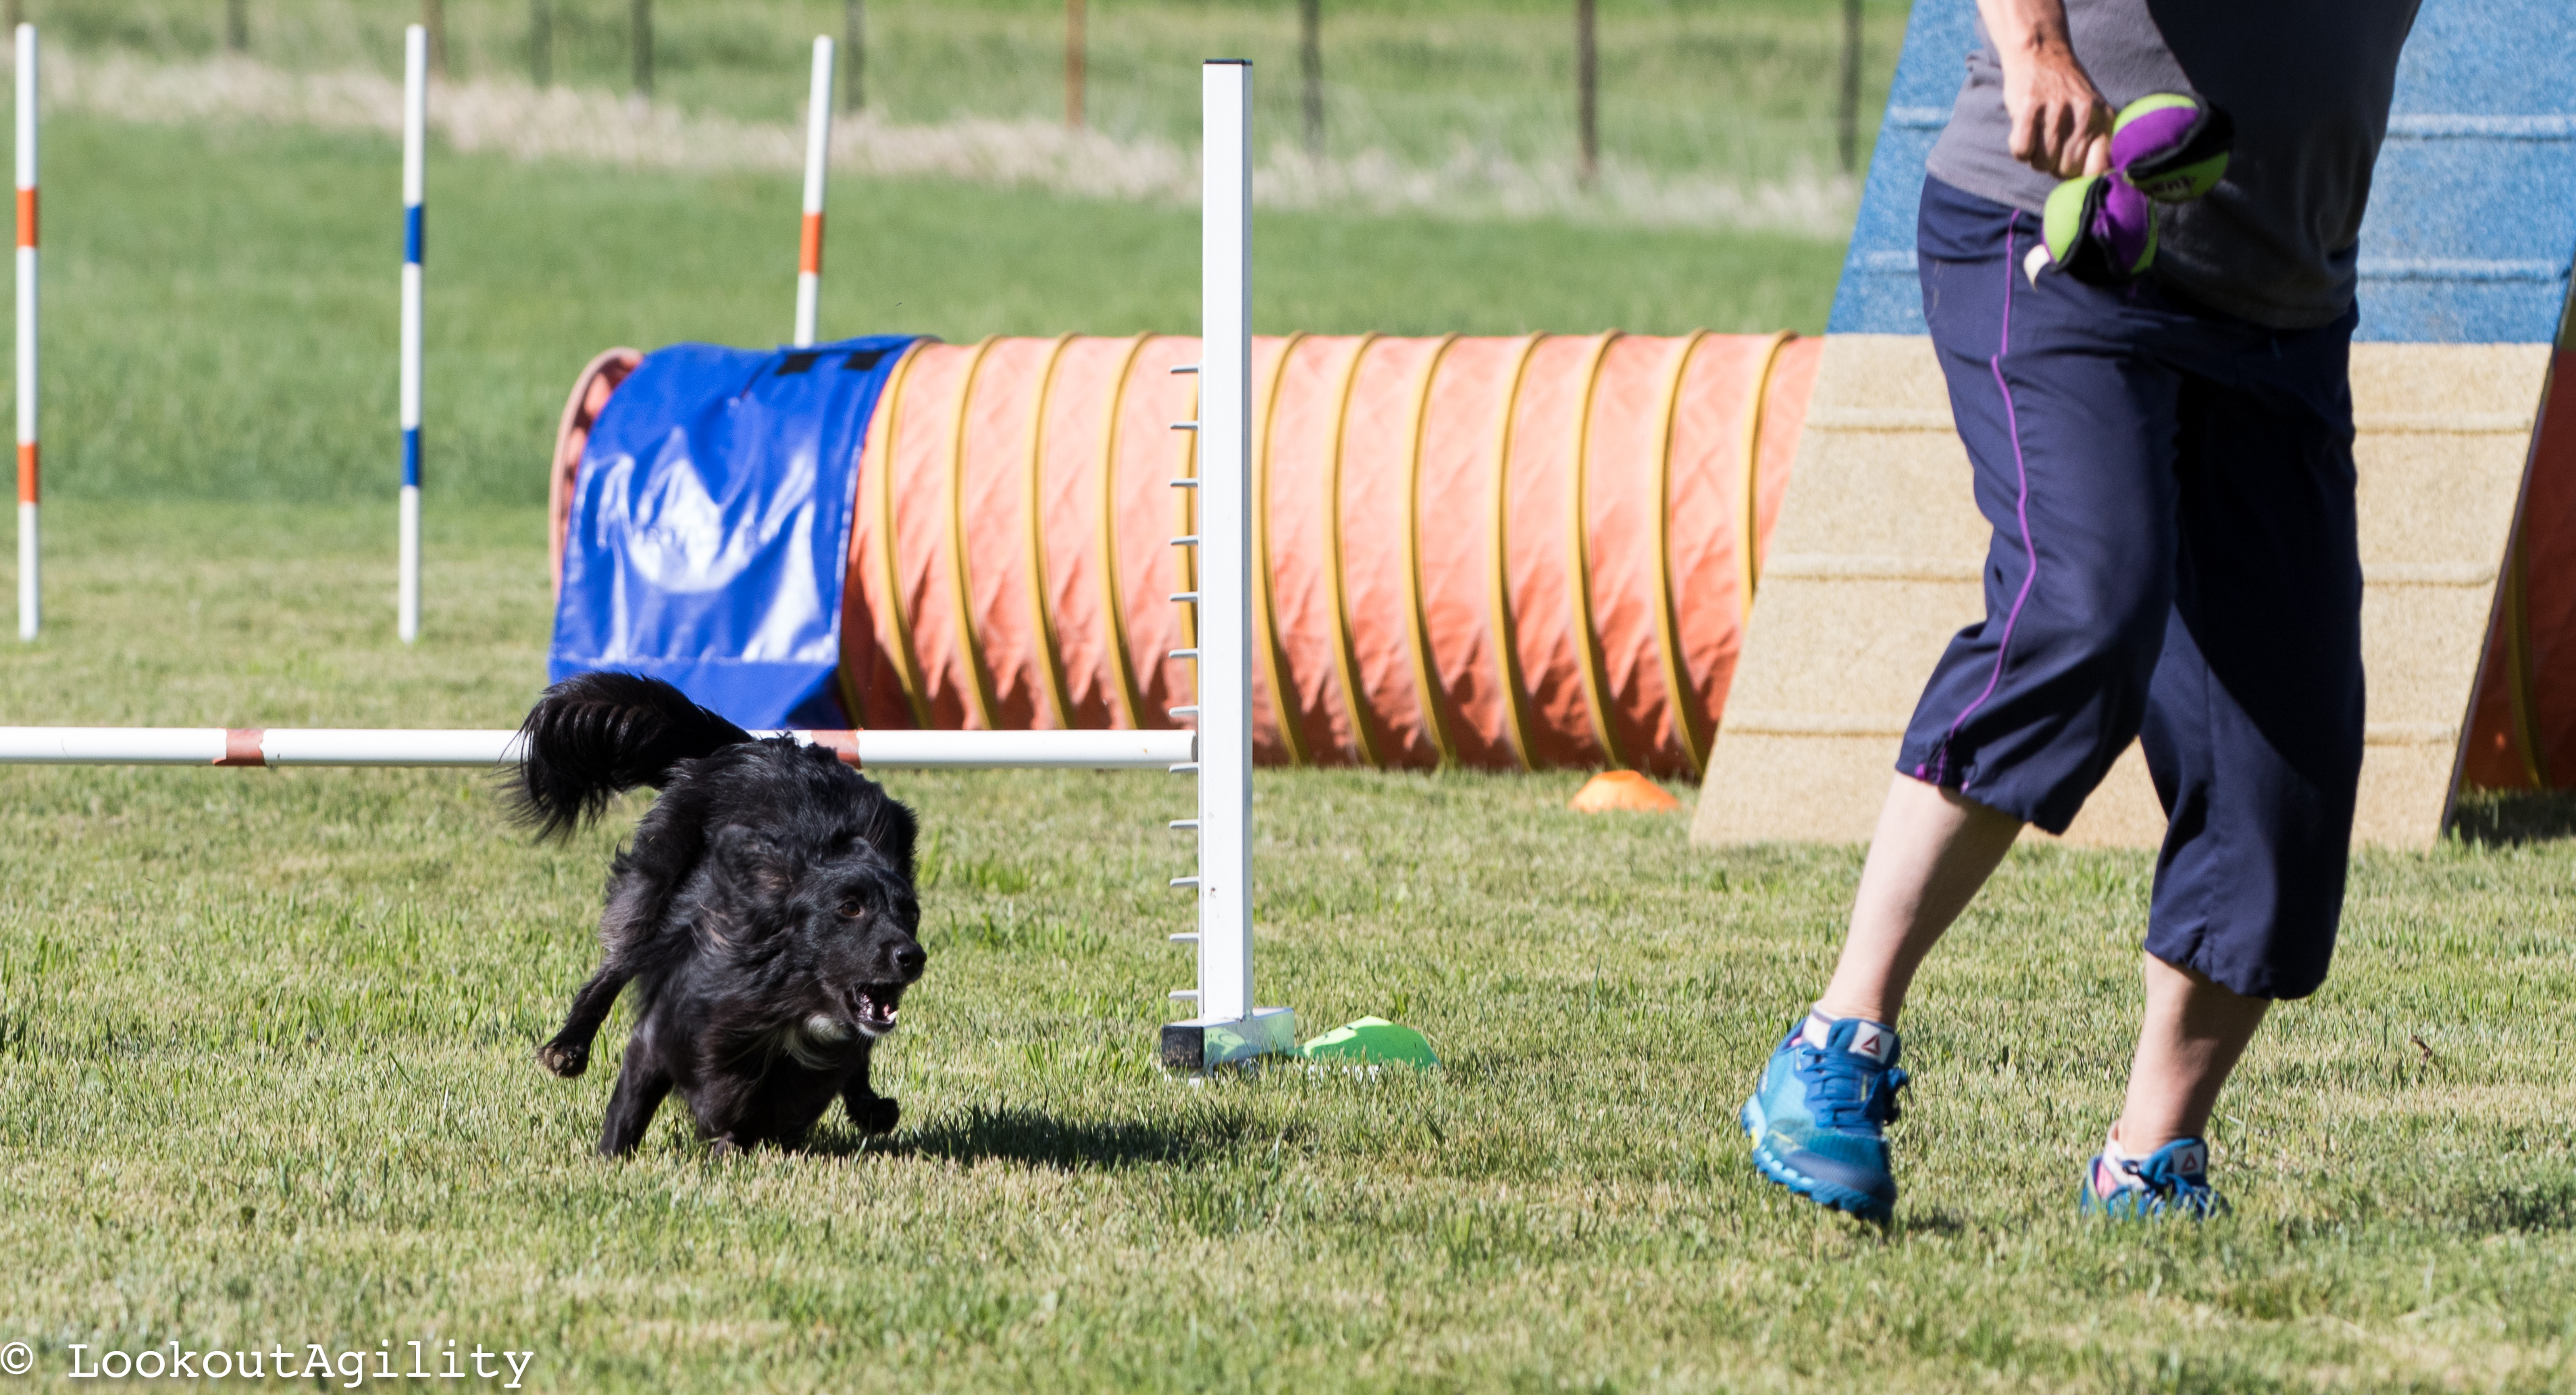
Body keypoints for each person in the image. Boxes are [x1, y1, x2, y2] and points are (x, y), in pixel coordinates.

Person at [1741, 0, 2424, 1221]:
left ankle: (2148, 1162)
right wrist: (2034, 47)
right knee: (2085, 603)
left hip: (2282, 310)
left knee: (2287, 762)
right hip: (2065, 238)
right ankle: (1836, 1037)